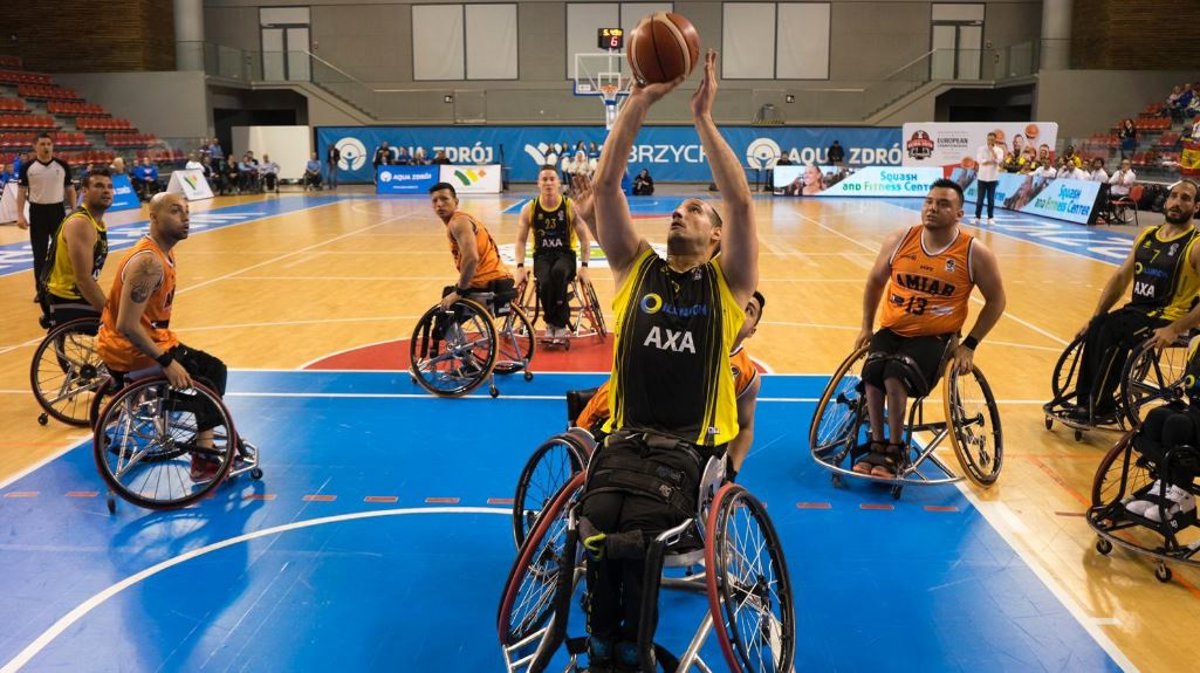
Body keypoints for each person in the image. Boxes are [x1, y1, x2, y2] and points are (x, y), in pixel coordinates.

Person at [570, 50, 758, 672]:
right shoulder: (634, 268)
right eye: (678, 209)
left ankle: (633, 649)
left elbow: (742, 203)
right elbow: (605, 187)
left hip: (689, 450)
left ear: (717, 237)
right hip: (625, 440)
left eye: (696, 211)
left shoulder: (728, 286)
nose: (680, 211)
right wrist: (640, 101)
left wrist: (703, 117)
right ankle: (604, 646)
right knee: (596, 524)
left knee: (639, 537)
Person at [853, 179, 1006, 476]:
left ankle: (896, 450)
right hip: (892, 330)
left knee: (895, 374)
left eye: (943, 204)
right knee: (872, 372)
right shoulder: (900, 240)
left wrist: (970, 344)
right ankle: (876, 444)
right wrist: (866, 327)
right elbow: (874, 282)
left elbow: (997, 301)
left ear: (959, 213)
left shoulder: (974, 252)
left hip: (935, 338)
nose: (932, 208)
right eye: (929, 202)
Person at [96, 193, 236, 481]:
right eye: (175, 211)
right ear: (154, 217)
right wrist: (167, 363)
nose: (185, 217)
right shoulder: (148, 263)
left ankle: (203, 445)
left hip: (146, 342)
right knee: (207, 380)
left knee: (212, 368)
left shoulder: (164, 253)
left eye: (187, 211)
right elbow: (127, 325)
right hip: (130, 350)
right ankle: (203, 458)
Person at [575, 290, 766, 480]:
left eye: (749, 310)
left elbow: (745, 427)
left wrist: (730, 471)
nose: (740, 310)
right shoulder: (677, 339)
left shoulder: (746, 374)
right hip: (614, 423)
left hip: (673, 439)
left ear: (752, 331)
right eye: (737, 302)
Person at [1069, 180, 1200, 422]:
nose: (1177, 202)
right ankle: (1084, 400)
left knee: (1114, 332)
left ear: (1196, 207)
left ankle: (1101, 406)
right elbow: (1121, 278)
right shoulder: (1147, 234)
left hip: (1168, 317)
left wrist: (1175, 329)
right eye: (1174, 196)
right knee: (1098, 326)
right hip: (1138, 312)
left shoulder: (1196, 245)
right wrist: (1095, 316)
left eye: (1185, 198)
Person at [1126, 337, 1200, 524]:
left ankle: (1183, 493)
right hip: (1196, 412)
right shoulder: (1197, 343)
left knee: (1178, 424)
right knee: (1156, 416)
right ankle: (1163, 486)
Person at [514, 165, 591, 342]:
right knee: (545, 281)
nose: (548, 183)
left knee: (558, 272)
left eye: (552, 179)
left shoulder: (570, 206)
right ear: (538, 183)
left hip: (565, 255)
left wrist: (585, 266)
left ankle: (560, 325)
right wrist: (519, 267)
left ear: (558, 183)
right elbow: (520, 241)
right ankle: (551, 324)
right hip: (542, 256)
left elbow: (585, 239)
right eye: (544, 179)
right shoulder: (529, 209)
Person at [39, 168, 114, 327]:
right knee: (125, 325)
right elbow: (83, 279)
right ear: (84, 191)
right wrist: (109, 313)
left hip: (74, 294)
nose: (106, 191)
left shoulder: (96, 222)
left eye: (109, 186)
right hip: (63, 297)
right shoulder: (80, 223)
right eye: (99, 186)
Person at [428, 181, 513, 312]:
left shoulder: (458, 223)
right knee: (449, 292)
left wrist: (460, 291)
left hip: (485, 282)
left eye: (444, 199)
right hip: (499, 276)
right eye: (435, 201)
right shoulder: (463, 219)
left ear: (456, 202)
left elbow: (471, 258)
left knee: (443, 313)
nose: (439, 204)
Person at [16, 132, 76, 303]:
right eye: (42, 144)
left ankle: (62, 287)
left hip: (58, 211)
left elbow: (70, 189)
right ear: (35, 146)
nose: (46, 147)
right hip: (37, 213)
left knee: (61, 253)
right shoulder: (27, 167)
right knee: (39, 254)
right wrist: (20, 215)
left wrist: (74, 210)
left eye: (49, 144)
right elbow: (21, 193)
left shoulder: (62, 165)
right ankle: (41, 291)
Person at [973, 131, 1003, 224]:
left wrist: (992, 151)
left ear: (995, 140)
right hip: (982, 178)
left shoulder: (999, 150)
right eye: (989, 139)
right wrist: (990, 161)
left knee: (991, 199)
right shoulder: (981, 149)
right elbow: (980, 161)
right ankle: (977, 217)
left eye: (992, 140)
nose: (990, 141)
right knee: (980, 200)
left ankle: (990, 218)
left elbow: (999, 161)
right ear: (987, 139)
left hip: (993, 178)